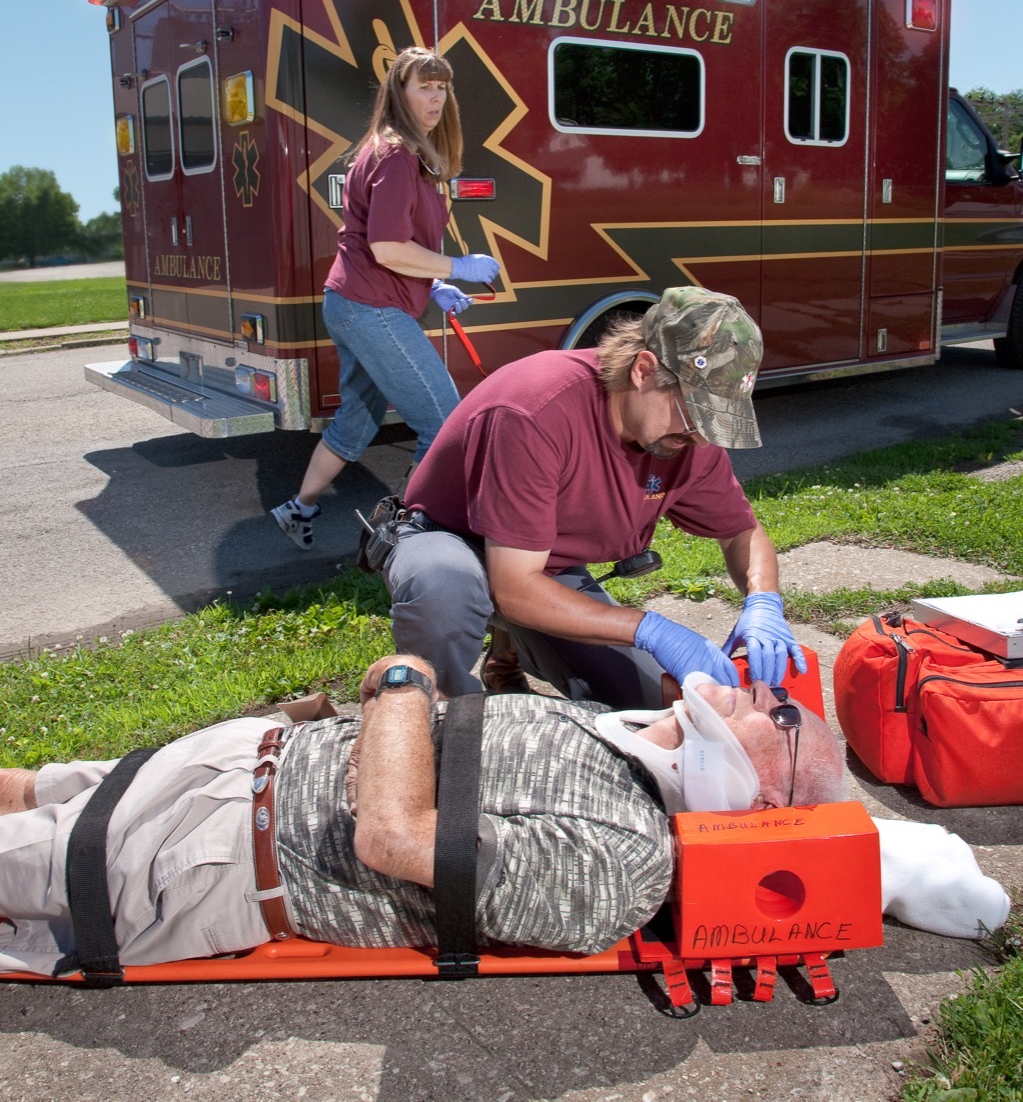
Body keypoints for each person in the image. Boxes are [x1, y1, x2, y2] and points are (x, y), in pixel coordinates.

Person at [0, 658, 1006, 980]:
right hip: (236, 762)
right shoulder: (628, 738)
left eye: (782, 718)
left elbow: (390, 836)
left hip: (216, 854)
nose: (767, 693)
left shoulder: (623, 863)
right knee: (29, 781)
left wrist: (400, 680)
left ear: (770, 803)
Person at [382, 285, 804, 706]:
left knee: (655, 703)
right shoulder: (535, 408)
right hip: (452, 540)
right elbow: (513, 589)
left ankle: (507, 645)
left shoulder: (685, 439)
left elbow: (741, 533)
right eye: (695, 413)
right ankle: (430, 713)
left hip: (540, 564)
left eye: (714, 422)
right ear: (643, 370)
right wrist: (648, 628)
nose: (699, 434)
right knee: (445, 587)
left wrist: (763, 601)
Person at [272, 46, 500, 550]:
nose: (437, 96)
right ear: (400, 91)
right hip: (370, 308)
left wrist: (433, 284)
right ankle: (415, 539)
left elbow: (385, 240)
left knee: (356, 419)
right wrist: (458, 266)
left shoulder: (393, 150)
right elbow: (387, 247)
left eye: (442, 86)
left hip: (357, 302)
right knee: (443, 425)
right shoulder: (396, 155)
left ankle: (298, 508)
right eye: (425, 86)